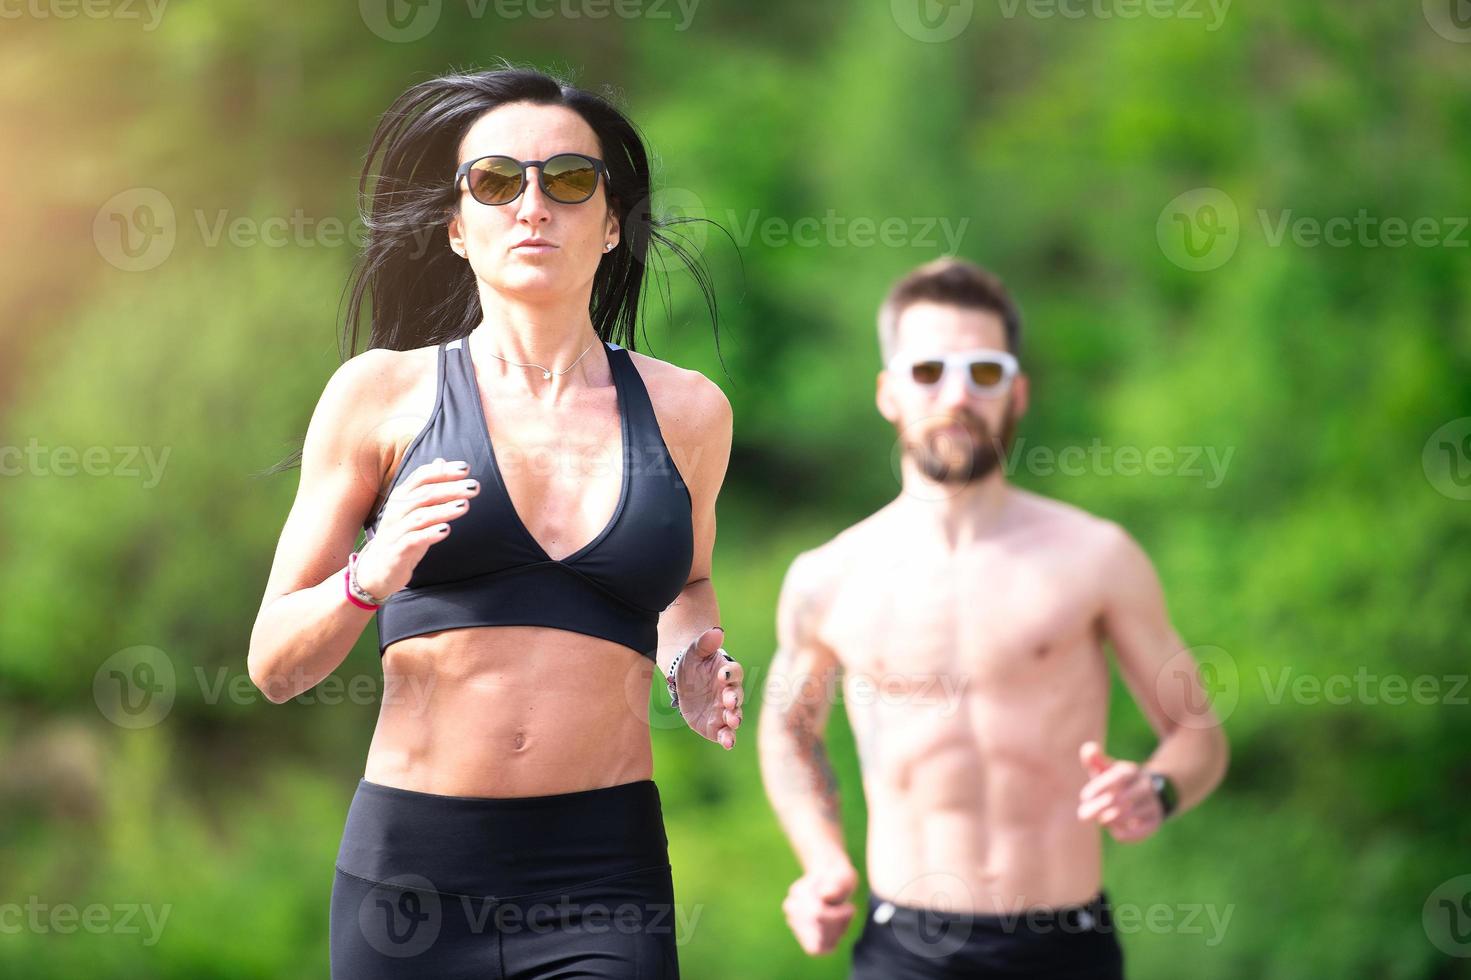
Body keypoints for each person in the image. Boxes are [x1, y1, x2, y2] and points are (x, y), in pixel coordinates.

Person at [247, 65, 743, 979]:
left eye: (566, 180)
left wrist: (688, 655)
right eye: (495, 182)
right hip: (413, 879)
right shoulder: (380, 396)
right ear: (456, 228)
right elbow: (275, 666)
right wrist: (371, 574)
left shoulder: (690, 412)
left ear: (609, 222)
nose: (532, 205)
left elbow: (689, 583)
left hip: (605, 867)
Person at [757, 257, 1230, 979]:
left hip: (1063, 944)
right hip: (903, 948)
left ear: (1017, 392)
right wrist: (820, 863)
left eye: (982, 371)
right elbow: (789, 733)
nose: (956, 395)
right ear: (887, 391)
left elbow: (1196, 734)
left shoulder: (1095, 556)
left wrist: (1157, 790)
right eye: (927, 371)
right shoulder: (828, 578)